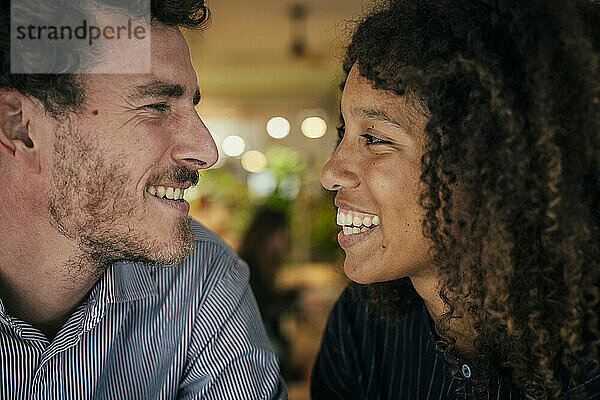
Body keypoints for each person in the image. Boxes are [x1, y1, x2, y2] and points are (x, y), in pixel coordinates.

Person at [311, 0, 600, 399]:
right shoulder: (361, 326)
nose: (330, 171)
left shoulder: (587, 359)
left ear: (490, 164)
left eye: (375, 139)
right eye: (345, 130)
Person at [0, 1, 286, 399]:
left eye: (192, 105)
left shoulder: (200, 277)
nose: (206, 149)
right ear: (20, 128)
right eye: (155, 106)